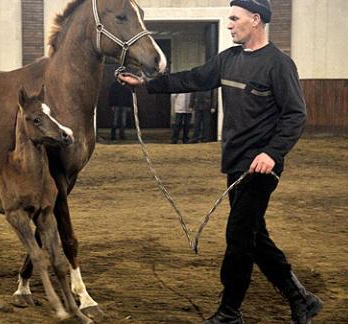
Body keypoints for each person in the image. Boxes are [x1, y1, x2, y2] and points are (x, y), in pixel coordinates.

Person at [118, 1, 323, 323]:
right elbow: (192, 78)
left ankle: (230, 311)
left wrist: (272, 153)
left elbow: (295, 115)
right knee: (255, 236)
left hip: (261, 167)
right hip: (235, 162)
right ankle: (301, 298)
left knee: (239, 237)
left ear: (255, 20)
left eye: (234, 19)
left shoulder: (278, 64)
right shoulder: (229, 60)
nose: (229, 25)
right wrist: (146, 85)